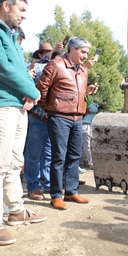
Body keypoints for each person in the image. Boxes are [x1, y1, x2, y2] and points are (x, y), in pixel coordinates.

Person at [0, 0, 47, 246]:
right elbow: (5, 70)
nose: (25, 16)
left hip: (17, 105)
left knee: (14, 161)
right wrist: (33, 91)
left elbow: (19, 71)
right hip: (3, 105)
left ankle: (15, 210)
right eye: (22, 9)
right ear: (6, 5)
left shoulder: (11, 37)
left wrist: (26, 94)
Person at [36, 36, 98, 211]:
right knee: (58, 157)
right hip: (59, 118)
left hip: (78, 118)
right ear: (72, 49)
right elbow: (41, 89)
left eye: (87, 52)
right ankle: (56, 195)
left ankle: (71, 191)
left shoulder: (83, 70)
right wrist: (50, 109)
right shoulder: (56, 65)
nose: (86, 56)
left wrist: (87, 90)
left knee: (74, 156)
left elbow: (75, 90)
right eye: (83, 52)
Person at [23, 42, 64, 200]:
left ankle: (47, 183)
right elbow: (29, 85)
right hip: (37, 118)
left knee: (48, 154)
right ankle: (33, 186)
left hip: (52, 120)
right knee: (33, 154)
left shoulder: (65, 72)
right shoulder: (38, 70)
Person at [82, 101, 99, 169]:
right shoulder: (86, 101)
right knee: (87, 146)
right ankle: (91, 163)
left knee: (86, 146)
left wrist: (95, 105)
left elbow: (96, 106)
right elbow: (95, 109)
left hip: (88, 125)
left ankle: (90, 162)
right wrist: (94, 106)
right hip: (85, 125)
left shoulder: (89, 101)